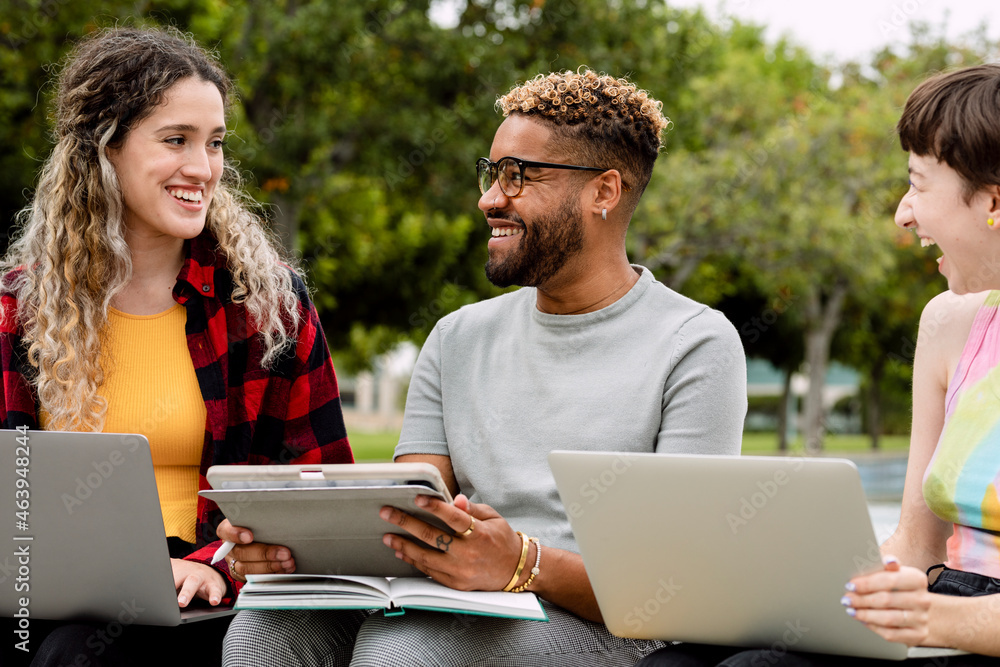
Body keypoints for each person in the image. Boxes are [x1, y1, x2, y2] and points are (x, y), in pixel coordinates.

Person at [223, 69, 747, 666]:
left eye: (520, 176)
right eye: (492, 172)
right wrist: (295, 540)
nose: (490, 198)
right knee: (263, 632)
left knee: (403, 657)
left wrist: (522, 562)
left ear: (604, 192)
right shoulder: (458, 336)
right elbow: (411, 509)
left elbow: (674, 586)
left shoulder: (695, 344)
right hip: (452, 593)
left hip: (599, 620)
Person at [0, 27, 353, 667]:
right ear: (102, 150)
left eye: (214, 143)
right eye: (176, 140)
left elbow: (322, 496)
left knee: (76, 657)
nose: (203, 167)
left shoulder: (267, 307)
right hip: (47, 595)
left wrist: (214, 562)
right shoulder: (17, 310)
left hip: (208, 598)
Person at [636, 64, 1000, 667]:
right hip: (939, 610)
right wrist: (793, 594)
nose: (903, 215)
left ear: (993, 201)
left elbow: (932, 607)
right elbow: (914, 547)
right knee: (677, 659)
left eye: (919, 184)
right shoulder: (950, 324)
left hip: (968, 630)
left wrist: (932, 617)